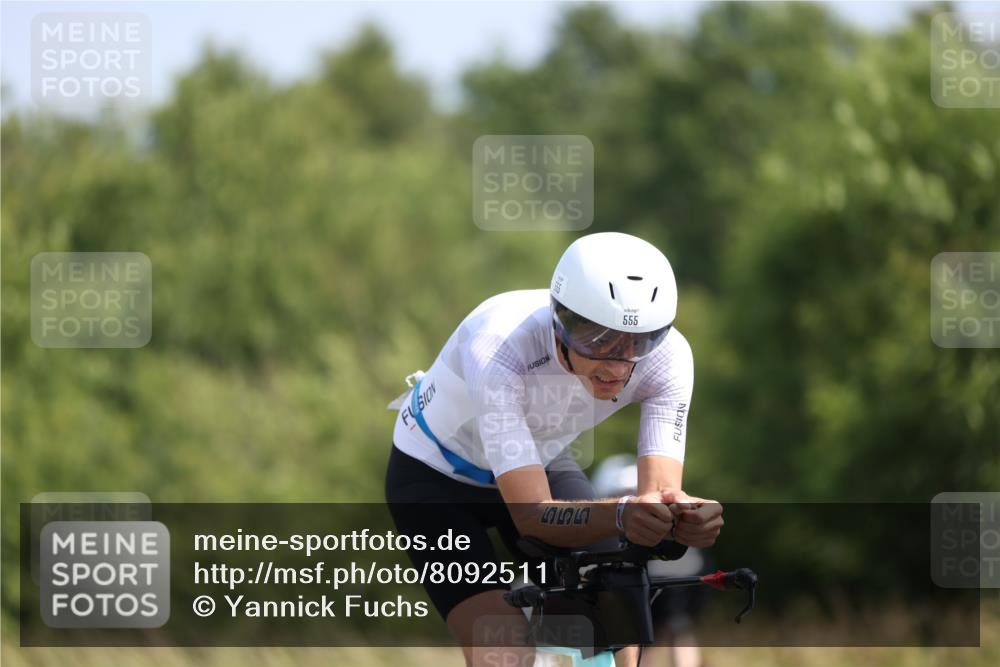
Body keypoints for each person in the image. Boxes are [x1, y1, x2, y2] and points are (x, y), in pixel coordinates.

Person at [384, 232, 724, 667]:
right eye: (597, 340)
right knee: (504, 647)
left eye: (639, 342)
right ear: (560, 320)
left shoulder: (670, 357)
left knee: (615, 607)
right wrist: (623, 514)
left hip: (537, 457)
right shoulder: (500, 345)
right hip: (435, 477)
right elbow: (532, 516)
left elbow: (656, 498)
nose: (618, 364)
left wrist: (682, 519)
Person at [593, 455, 710, 667]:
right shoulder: (658, 494)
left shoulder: (616, 499)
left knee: (642, 636)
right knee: (679, 630)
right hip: (683, 571)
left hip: (651, 574)